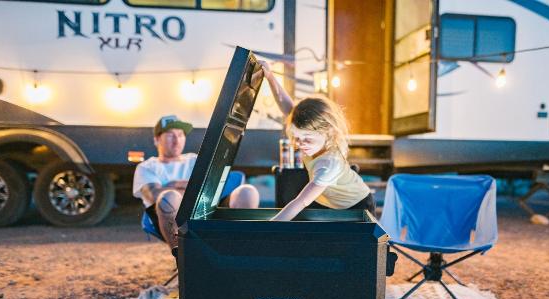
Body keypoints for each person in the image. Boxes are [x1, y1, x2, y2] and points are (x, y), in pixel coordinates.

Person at [259, 61, 375, 222]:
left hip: (357, 206)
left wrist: (269, 226)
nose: (301, 143)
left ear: (328, 132)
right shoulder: (316, 139)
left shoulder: (328, 164)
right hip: (330, 201)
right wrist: (270, 76)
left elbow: (302, 201)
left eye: (307, 139)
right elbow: (287, 107)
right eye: (297, 138)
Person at [133, 115, 260, 253]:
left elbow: (214, 185)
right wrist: (193, 186)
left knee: (247, 192)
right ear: (157, 140)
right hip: (177, 222)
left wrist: (175, 184)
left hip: (208, 211)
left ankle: (237, 253)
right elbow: (155, 195)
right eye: (170, 135)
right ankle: (182, 257)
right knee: (168, 198)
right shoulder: (147, 167)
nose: (176, 140)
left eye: (180, 135)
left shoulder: (194, 159)